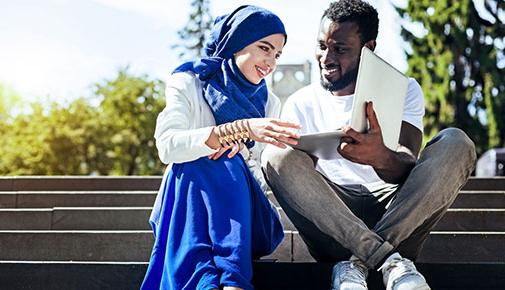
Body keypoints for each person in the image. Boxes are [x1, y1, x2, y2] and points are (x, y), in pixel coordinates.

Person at [261, 0, 476, 289]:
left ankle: (360, 261)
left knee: (456, 142)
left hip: (399, 217)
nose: (326, 58)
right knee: (276, 156)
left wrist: (381, 157)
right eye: (322, 46)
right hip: (332, 223)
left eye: (340, 49)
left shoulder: (403, 89)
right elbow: (295, 179)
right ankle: (387, 260)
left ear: (368, 48)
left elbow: (407, 162)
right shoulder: (300, 103)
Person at [141, 5, 301, 290]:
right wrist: (235, 131)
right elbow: (167, 146)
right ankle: (230, 282)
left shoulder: (269, 102)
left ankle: (219, 279)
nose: (271, 62)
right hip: (186, 208)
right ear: (236, 43)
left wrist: (235, 152)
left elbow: (261, 181)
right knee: (202, 158)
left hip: (248, 221)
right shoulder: (188, 82)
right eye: (265, 48)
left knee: (223, 159)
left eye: (277, 54)